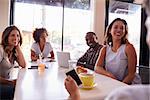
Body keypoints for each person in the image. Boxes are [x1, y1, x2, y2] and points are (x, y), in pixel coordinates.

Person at [95, 18, 141, 84]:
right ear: (110, 30)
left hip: (129, 84)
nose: (119, 30)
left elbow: (131, 75)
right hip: (113, 83)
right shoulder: (105, 49)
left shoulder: (129, 48)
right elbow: (97, 67)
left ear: (125, 32)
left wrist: (119, 86)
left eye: (122, 28)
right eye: (116, 27)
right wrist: (109, 75)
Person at [0, 25, 26, 100]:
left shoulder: (13, 51)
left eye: (18, 36)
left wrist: (18, 46)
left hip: (5, 83)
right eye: (12, 35)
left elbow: (23, 64)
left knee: (19, 89)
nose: (16, 38)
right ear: (6, 37)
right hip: (3, 83)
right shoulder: (1, 50)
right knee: (15, 91)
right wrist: (10, 82)